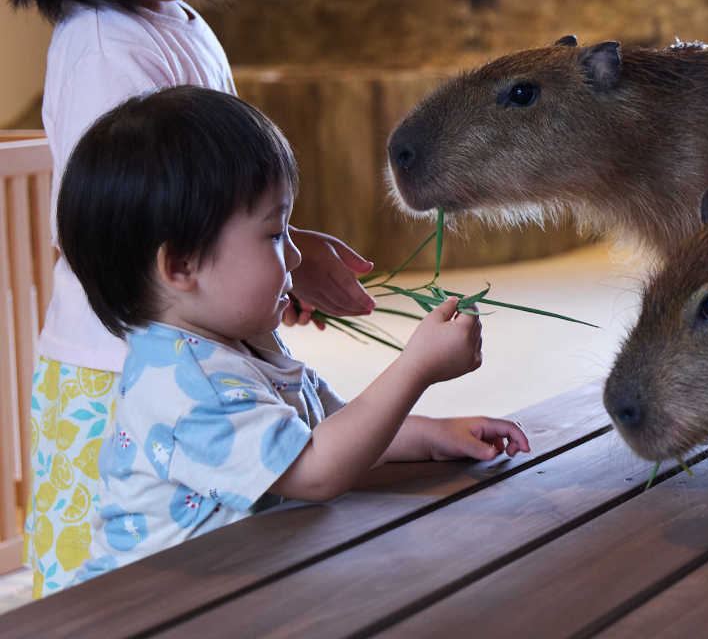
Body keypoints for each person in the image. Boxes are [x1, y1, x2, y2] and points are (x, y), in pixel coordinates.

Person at [7, 0, 377, 596]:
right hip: (123, 358)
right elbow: (141, 220)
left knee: (224, 549)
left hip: (185, 335)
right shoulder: (106, 46)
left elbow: (208, 186)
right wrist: (271, 255)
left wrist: (282, 246)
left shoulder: (173, 21)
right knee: (115, 583)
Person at [55, 87, 529, 582]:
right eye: (275, 234)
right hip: (147, 609)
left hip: (234, 586)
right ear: (181, 264)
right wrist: (416, 368)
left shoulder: (236, 341)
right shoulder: (189, 383)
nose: (296, 257)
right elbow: (316, 467)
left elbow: (330, 429)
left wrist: (433, 434)